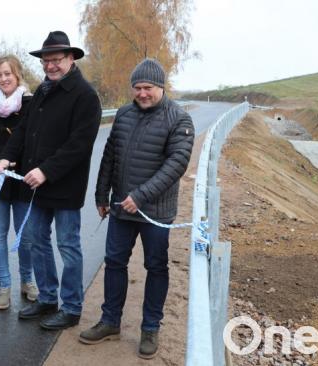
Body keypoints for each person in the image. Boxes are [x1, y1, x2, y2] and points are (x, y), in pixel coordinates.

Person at [79, 58, 194, 360]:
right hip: (121, 209)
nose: (142, 93)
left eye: (148, 88)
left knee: (156, 267)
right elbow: (110, 155)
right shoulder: (123, 114)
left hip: (156, 212)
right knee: (114, 263)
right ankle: (110, 321)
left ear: (161, 87)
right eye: (137, 88)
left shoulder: (179, 119)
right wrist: (101, 194)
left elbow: (176, 165)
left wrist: (141, 196)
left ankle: (150, 328)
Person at [0, 31, 102, 329]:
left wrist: (46, 171)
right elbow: (23, 130)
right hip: (35, 186)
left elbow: (79, 145)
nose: (50, 66)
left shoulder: (85, 96)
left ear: (71, 59)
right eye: (46, 61)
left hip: (64, 186)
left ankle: (71, 307)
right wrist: (7, 155)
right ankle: (47, 298)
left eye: (56, 60)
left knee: (68, 246)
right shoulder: (42, 91)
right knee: (36, 241)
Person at [0, 55, 39, 310]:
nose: (3, 79)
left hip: (24, 180)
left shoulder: (32, 104)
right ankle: (4, 286)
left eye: (8, 74)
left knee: (27, 236)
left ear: (17, 75)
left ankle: (28, 281)